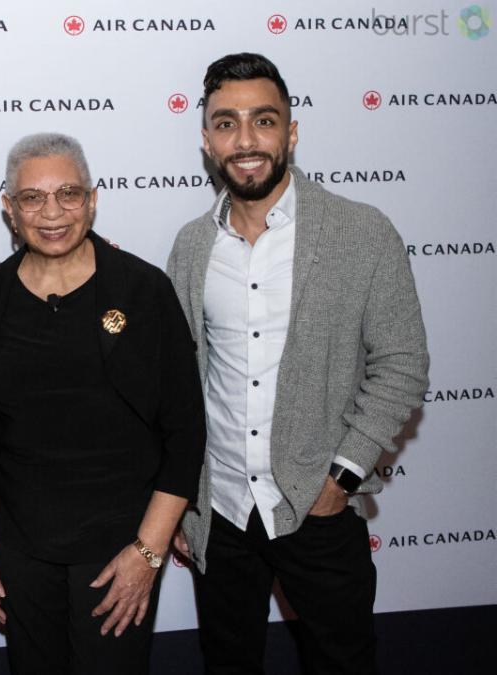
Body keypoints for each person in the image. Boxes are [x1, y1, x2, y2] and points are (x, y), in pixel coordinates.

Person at [167, 53, 430, 674]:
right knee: (227, 662)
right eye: (226, 123)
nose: (246, 140)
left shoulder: (361, 231)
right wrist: (179, 496)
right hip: (221, 511)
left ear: (290, 132)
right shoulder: (193, 245)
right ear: (207, 141)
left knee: (342, 661)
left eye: (263, 120)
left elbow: (402, 364)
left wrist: (340, 479)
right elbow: (178, 382)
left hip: (319, 506)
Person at [0, 132, 205, 674]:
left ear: (92, 200)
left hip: (119, 549)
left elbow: (185, 432)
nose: (52, 212)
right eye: (32, 198)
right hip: (20, 551)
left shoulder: (143, 291)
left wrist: (148, 552)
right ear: (9, 208)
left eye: (68, 193)